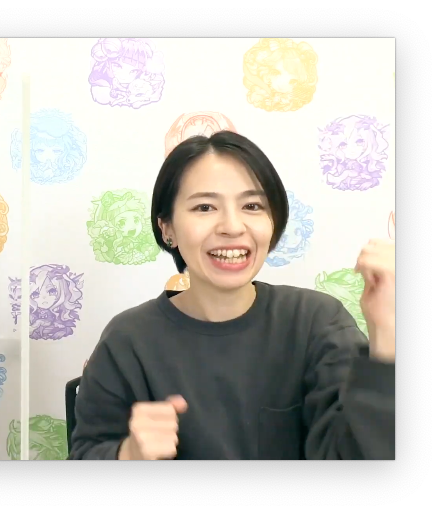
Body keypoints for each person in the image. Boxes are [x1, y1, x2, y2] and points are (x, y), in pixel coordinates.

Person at [69, 131, 395, 460]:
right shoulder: (128, 340)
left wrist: (387, 337)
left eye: (252, 206)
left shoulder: (316, 322)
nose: (232, 226)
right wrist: (128, 454)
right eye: (205, 207)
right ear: (167, 228)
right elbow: (87, 450)